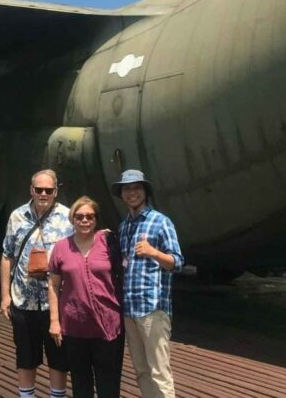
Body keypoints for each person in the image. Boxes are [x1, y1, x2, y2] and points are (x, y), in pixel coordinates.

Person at [0, 170, 73, 398]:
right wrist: (4, 296)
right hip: (23, 299)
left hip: (56, 303)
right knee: (25, 356)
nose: (43, 194)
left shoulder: (68, 217)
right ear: (31, 190)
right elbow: (6, 255)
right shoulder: (17, 216)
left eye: (48, 190)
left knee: (59, 358)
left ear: (56, 192)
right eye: (39, 189)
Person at [114, 169, 184, 398]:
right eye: (127, 189)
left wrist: (154, 252)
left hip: (153, 308)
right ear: (122, 194)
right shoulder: (124, 227)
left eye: (136, 188)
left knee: (159, 371)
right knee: (141, 371)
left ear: (145, 192)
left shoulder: (161, 222)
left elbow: (177, 262)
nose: (131, 193)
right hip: (130, 309)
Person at [47, 196, 124, 398]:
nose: (84, 220)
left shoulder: (109, 241)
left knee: (108, 384)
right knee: (81, 384)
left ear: (96, 219)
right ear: (72, 219)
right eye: (79, 216)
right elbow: (54, 285)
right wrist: (55, 321)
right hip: (75, 326)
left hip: (107, 325)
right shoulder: (61, 247)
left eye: (90, 216)